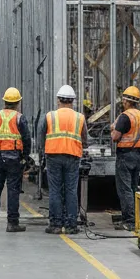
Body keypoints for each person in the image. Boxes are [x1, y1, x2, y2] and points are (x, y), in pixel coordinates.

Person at [0, 87, 31, 233]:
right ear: (18, 102)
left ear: (4, 102)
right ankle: (12, 223)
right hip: (14, 158)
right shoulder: (19, 118)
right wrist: (25, 158)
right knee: (13, 190)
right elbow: (27, 139)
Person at [44, 85, 86, 235]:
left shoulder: (50, 116)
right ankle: (71, 225)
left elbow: (42, 135)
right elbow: (85, 139)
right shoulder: (79, 117)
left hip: (53, 156)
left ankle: (55, 224)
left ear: (58, 100)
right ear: (73, 101)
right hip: (73, 156)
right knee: (71, 190)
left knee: (55, 190)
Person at [112, 86, 140, 231]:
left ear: (126, 100)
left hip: (125, 155)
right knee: (133, 187)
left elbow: (115, 137)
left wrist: (113, 129)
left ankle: (129, 221)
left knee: (124, 189)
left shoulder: (125, 116)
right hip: (138, 154)